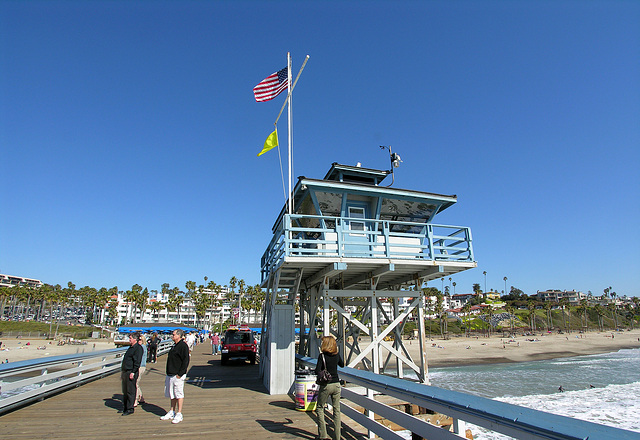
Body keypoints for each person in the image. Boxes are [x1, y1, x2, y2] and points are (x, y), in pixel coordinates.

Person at [315, 336, 344, 440]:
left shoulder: (322, 356)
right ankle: (337, 436)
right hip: (336, 384)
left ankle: (323, 435)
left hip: (326, 385)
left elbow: (317, 370)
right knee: (336, 410)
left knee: (320, 407)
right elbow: (342, 365)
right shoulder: (336, 355)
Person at [160, 329, 190, 424]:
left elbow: (186, 360)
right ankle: (171, 411)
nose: (172, 336)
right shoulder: (174, 345)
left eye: (173, 335)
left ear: (179, 335)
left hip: (177, 375)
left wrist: (180, 374)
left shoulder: (183, 346)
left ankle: (179, 413)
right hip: (170, 373)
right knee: (172, 394)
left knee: (179, 394)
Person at [120, 332, 143, 416]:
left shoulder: (138, 348)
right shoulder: (131, 347)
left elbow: (137, 362)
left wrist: (133, 372)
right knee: (125, 390)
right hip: (126, 371)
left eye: (130, 338)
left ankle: (130, 408)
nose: (129, 340)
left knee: (131, 391)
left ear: (135, 339)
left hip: (131, 371)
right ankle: (125, 407)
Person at [135, 334, 147, 406]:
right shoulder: (144, 347)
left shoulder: (141, 347)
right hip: (142, 366)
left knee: (135, 383)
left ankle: (136, 399)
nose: (138, 341)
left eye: (140, 340)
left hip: (140, 366)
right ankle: (141, 397)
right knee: (136, 383)